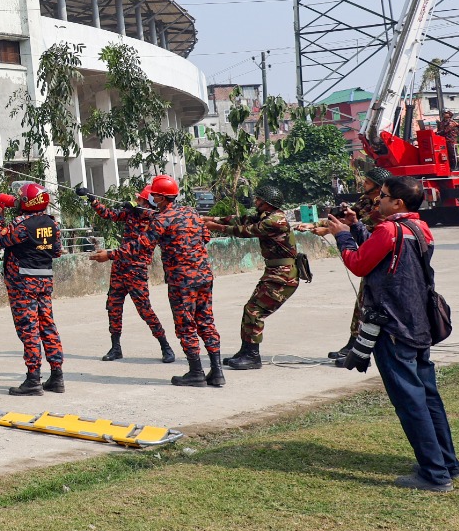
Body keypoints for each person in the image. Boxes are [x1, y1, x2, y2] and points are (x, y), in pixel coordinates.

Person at [325, 175, 459, 492]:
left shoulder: (389, 229)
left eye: (383, 196)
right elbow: (382, 253)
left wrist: (343, 236)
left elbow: (358, 263)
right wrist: (357, 228)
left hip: (394, 327)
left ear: (398, 202)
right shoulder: (418, 228)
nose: (378, 201)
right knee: (428, 397)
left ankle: (434, 474)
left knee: (410, 402)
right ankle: (446, 463)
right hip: (418, 325)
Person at [205, 183, 303, 371]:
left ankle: (252, 356)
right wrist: (211, 218)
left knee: (254, 310)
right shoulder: (266, 215)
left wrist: (215, 226)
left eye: (259, 199)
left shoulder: (276, 220)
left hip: (283, 276)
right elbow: (241, 219)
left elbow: (246, 231)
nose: (255, 201)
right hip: (275, 273)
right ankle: (246, 351)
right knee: (250, 309)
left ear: (267, 203)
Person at [83, 184, 177, 363]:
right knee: (113, 307)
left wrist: (139, 210)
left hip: (136, 270)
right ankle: (115, 347)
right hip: (120, 267)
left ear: (147, 203)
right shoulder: (132, 213)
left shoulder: (154, 220)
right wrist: (92, 199)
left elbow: (138, 245)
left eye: (140, 199)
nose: (137, 200)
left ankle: (165, 346)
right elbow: (108, 214)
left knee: (145, 310)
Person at [147, 174, 224, 388]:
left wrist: (110, 255)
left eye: (154, 195)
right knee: (206, 321)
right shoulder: (191, 212)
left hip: (181, 281)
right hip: (203, 276)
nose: (152, 198)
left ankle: (196, 372)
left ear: (161, 198)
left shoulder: (161, 219)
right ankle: (217, 372)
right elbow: (206, 237)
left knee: (186, 325)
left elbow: (140, 248)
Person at [0, 182, 64, 395]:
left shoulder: (21, 224)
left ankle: (33, 380)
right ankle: (57, 377)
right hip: (44, 281)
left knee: (28, 328)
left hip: (22, 283)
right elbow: (56, 252)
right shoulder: (52, 224)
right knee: (47, 326)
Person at [326, 164, 391, 362]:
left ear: (378, 187)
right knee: (362, 303)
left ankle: (361, 349)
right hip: (370, 256)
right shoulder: (366, 201)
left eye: (368, 182)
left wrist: (330, 230)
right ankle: (353, 345)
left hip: (381, 262)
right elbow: (351, 217)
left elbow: (364, 223)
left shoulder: (383, 209)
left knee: (371, 306)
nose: (363, 184)